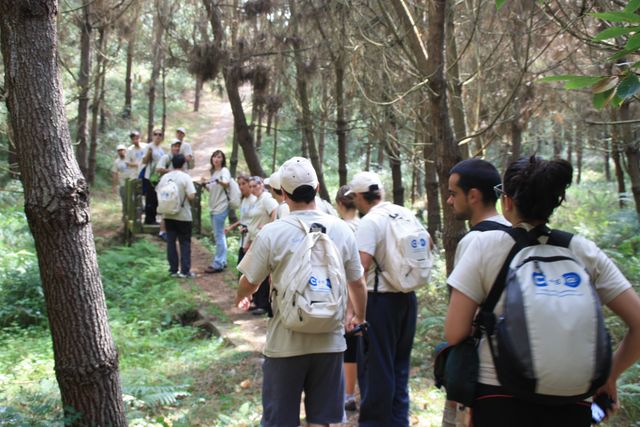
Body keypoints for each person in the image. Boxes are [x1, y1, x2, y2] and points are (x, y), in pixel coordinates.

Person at [444, 156, 640, 427]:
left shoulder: (482, 245)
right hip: (573, 398)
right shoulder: (583, 250)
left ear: (508, 201)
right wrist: (609, 375)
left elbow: (454, 333)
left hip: (498, 396)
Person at [235, 156, 368, 427]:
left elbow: (249, 281)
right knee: (322, 421)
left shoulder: (273, 233)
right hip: (330, 341)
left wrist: (243, 296)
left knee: (279, 420)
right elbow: (357, 282)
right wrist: (359, 317)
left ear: (283, 194)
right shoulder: (341, 230)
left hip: (285, 343)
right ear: (317, 188)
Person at [348, 170, 429, 427]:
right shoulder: (404, 213)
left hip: (379, 302)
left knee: (376, 370)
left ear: (361, 196)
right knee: (399, 368)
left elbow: (359, 269)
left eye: (355, 198)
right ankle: (398, 421)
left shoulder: (370, 222)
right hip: (407, 298)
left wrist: (353, 312)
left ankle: (374, 423)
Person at [442, 158, 510, 427]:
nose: (449, 201)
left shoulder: (474, 241)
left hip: (485, 371)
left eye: (453, 193)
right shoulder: (515, 233)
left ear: (473, 196)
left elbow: (456, 331)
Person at [335, 185, 360, 412]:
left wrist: (350, 309)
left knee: (348, 345)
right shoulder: (366, 224)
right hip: (372, 293)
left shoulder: (341, 229)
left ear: (340, 204)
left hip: (348, 294)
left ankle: (347, 393)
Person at [156, 154, 196, 278]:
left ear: (172, 163)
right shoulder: (185, 177)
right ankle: (185, 271)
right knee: (184, 242)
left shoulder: (165, 177)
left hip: (168, 214)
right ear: (184, 164)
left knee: (171, 242)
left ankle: (173, 270)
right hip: (183, 215)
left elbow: (159, 191)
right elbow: (191, 195)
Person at [244, 176, 278, 315]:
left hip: (262, 240)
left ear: (261, 185)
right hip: (254, 238)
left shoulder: (266, 198)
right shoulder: (256, 200)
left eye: (255, 186)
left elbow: (274, 211)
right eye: (250, 186)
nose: (252, 189)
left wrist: (269, 226)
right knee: (256, 271)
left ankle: (263, 304)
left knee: (262, 273)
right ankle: (257, 301)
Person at [203, 150, 231, 274]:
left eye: (219, 157)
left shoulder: (224, 171)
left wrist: (218, 181)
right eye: (214, 156)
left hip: (221, 207)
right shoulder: (215, 173)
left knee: (218, 235)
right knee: (220, 234)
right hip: (214, 207)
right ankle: (222, 260)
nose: (216, 159)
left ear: (223, 159)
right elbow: (213, 189)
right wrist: (205, 184)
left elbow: (226, 183)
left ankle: (218, 263)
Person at [224, 174, 256, 269]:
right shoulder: (244, 200)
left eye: (243, 183)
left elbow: (254, 220)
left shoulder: (254, 200)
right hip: (243, 237)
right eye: (239, 184)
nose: (241, 186)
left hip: (250, 238)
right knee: (241, 265)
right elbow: (243, 219)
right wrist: (231, 227)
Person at [141, 128, 165, 225]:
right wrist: (148, 153)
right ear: (152, 135)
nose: (158, 136)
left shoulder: (161, 149)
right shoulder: (149, 147)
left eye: (160, 134)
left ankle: (153, 219)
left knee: (155, 199)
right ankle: (148, 220)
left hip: (158, 178)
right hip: (150, 176)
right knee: (150, 198)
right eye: (156, 134)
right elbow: (144, 161)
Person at [111, 144, 129, 219]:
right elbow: (115, 174)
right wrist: (114, 186)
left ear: (125, 150)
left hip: (131, 184)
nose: (121, 152)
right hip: (123, 185)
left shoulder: (130, 159)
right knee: (124, 202)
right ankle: (125, 217)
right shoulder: (117, 162)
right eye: (119, 150)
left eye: (122, 150)